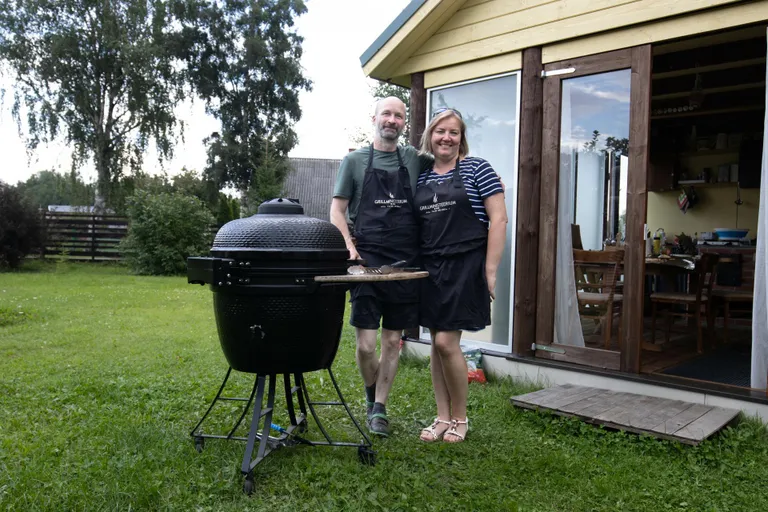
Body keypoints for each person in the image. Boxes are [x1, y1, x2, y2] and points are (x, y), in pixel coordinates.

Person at [330, 97, 432, 437]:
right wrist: (348, 247)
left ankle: (380, 408)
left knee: (392, 342)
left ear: (405, 123)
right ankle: (371, 393)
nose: (392, 120)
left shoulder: (415, 160)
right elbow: (337, 210)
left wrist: (487, 182)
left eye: (398, 116)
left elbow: (451, 161)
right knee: (365, 345)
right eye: (386, 114)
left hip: (405, 261)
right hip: (366, 261)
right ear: (374, 118)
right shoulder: (354, 161)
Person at [414, 107, 507, 443]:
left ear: (461, 138)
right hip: (431, 267)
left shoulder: (477, 169)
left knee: (445, 342)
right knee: (435, 346)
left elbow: (499, 219)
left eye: (453, 132)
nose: (446, 138)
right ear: (430, 136)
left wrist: (490, 270)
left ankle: (460, 419)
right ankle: (441, 417)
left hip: (466, 266)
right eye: (440, 131)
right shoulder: (421, 176)